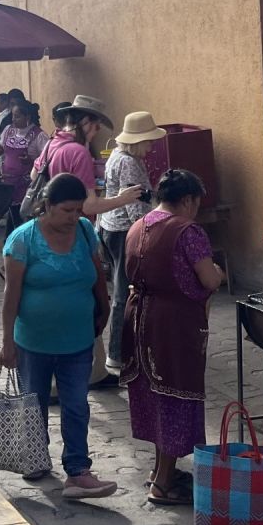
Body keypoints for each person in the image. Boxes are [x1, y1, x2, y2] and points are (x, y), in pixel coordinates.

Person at [0, 173, 116, 500]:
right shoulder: (23, 240)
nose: (73, 217)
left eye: (78, 210)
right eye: (66, 210)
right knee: (33, 403)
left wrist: (104, 312)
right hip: (33, 343)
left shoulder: (85, 231)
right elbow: (11, 295)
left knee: (77, 405)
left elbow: (98, 277)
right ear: (46, 205)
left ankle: (78, 471)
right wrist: (7, 341)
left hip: (78, 341)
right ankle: (35, 460)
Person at [123, 169, 226, 504]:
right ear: (187, 200)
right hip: (173, 324)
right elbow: (209, 280)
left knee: (154, 396)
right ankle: (163, 484)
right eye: (196, 202)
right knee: (174, 397)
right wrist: (220, 274)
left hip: (140, 320)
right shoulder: (187, 230)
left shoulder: (139, 225)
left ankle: (158, 471)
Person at [98, 111, 166, 374]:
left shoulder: (118, 155)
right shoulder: (128, 162)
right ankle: (116, 354)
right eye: (148, 142)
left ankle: (123, 350)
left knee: (122, 291)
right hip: (123, 231)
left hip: (110, 227)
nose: (150, 147)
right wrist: (149, 231)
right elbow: (134, 206)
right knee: (122, 293)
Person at [32, 96, 147, 220]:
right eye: (97, 127)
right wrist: (122, 199)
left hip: (50, 222)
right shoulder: (79, 152)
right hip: (73, 226)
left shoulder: (51, 143)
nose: (96, 133)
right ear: (86, 122)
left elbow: (34, 175)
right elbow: (88, 206)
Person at [0, 99, 43, 225]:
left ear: (27, 117)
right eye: (13, 116)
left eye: (17, 117)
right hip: (8, 181)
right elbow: (1, 146)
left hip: (27, 185)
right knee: (12, 214)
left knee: (23, 214)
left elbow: (47, 158)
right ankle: (10, 238)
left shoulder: (39, 135)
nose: (13, 119)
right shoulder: (8, 129)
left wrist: (31, 160)